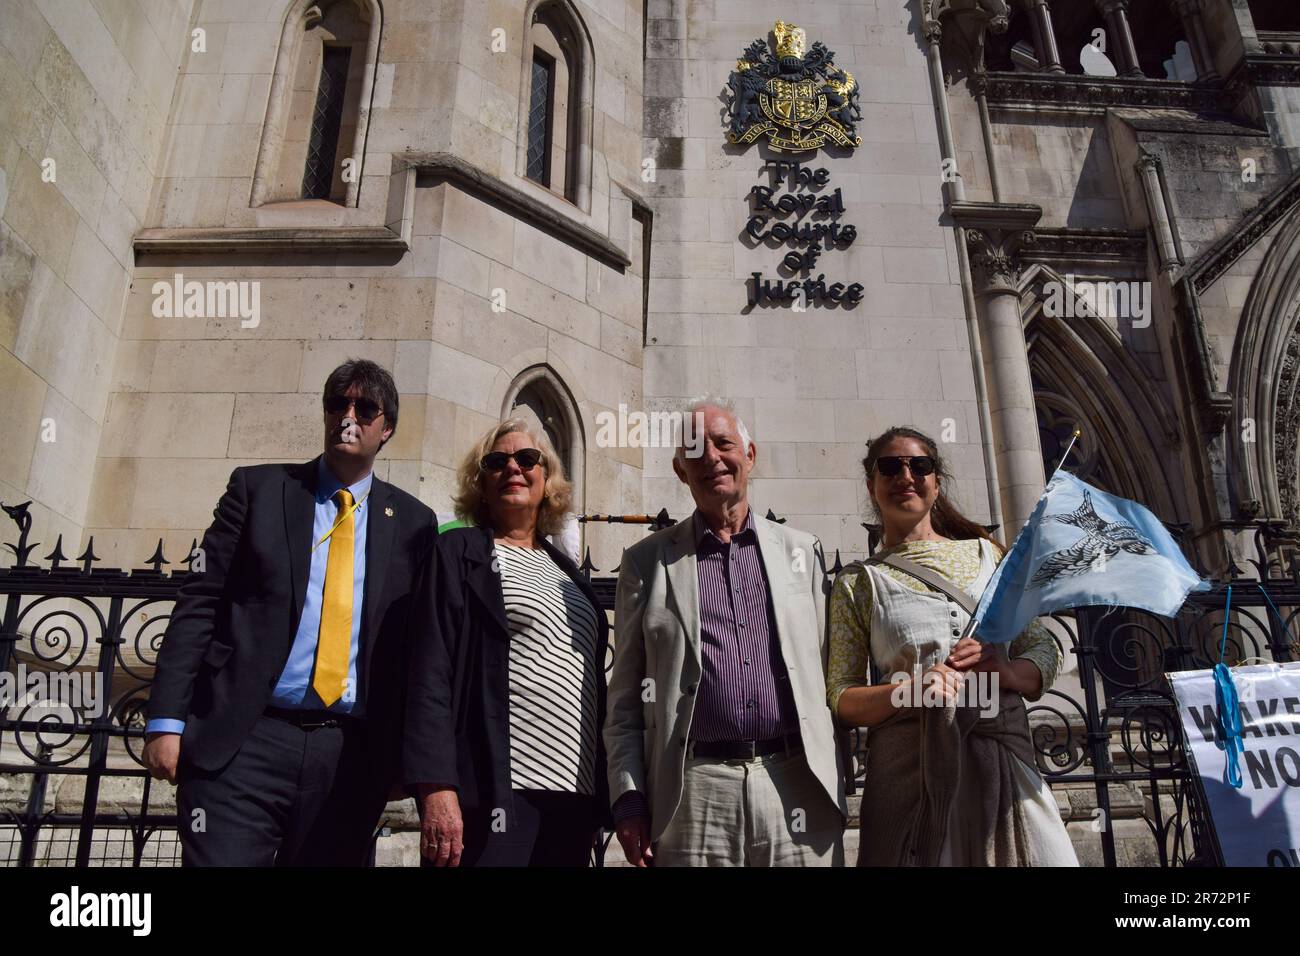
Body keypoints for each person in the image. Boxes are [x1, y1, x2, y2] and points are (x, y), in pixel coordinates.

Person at [143, 359, 436, 866]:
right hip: (244, 742)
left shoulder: (414, 522)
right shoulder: (257, 490)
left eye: (364, 408)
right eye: (336, 404)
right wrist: (166, 720)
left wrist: (407, 759)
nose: (348, 416)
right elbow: (200, 603)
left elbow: (417, 648)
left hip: (348, 757)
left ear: (386, 429)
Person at [604, 398, 847, 867]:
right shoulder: (646, 562)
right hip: (693, 794)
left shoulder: (802, 553)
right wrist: (629, 798)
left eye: (724, 443)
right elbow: (625, 703)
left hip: (795, 783)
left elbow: (832, 676)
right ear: (680, 471)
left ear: (750, 454)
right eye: (696, 450)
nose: (712, 458)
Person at [828, 426, 1079, 866]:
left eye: (918, 466)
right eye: (890, 467)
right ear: (872, 485)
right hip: (909, 772)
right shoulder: (857, 582)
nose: (905, 475)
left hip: (1002, 763)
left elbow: (1043, 649)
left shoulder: (989, 557)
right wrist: (912, 690)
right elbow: (842, 698)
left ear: (936, 482)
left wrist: (1005, 671)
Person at [404, 420, 611, 866]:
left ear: (547, 476)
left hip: (573, 793)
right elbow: (429, 670)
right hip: (494, 789)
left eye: (527, 459)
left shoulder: (566, 571)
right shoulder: (459, 553)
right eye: (497, 462)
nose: (513, 468)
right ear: (482, 481)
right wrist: (437, 787)